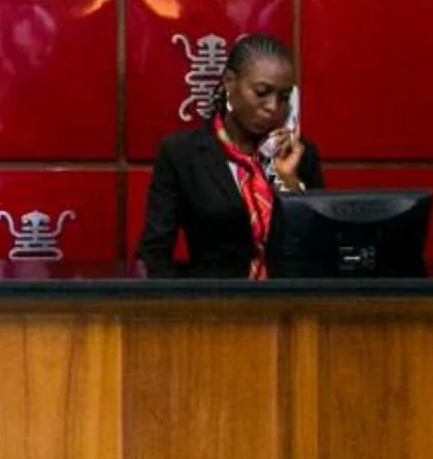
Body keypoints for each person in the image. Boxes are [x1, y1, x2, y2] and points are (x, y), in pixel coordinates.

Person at [134, 33, 324, 278]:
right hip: (213, 305)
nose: (273, 107)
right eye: (262, 92)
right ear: (229, 82)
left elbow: (318, 250)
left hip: (287, 307)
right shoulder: (182, 153)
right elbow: (154, 253)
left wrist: (288, 184)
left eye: (284, 97)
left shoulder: (300, 155)